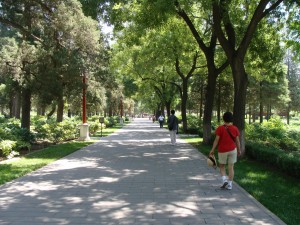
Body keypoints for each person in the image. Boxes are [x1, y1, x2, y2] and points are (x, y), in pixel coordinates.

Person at [209, 112, 241, 190]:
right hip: (233, 150)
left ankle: (224, 180)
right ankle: (230, 184)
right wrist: (239, 150)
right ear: (231, 119)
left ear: (223, 118)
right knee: (231, 167)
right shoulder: (235, 128)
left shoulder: (220, 128)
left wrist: (212, 150)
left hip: (222, 150)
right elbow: (237, 141)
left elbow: (216, 140)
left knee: (222, 166)